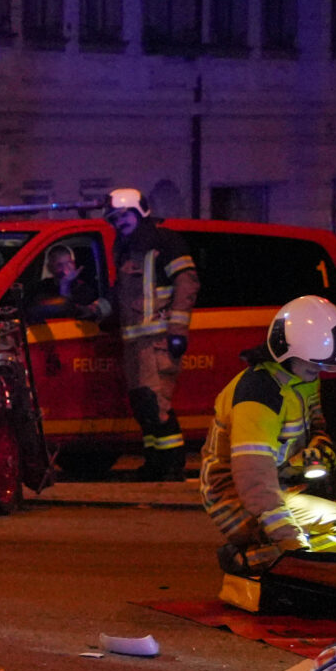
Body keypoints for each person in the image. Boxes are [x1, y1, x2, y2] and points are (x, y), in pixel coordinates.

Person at [200, 297, 336, 573]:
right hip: (240, 502)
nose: (317, 373)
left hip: (285, 479)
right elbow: (254, 483)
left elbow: (317, 425)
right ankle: (254, 559)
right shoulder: (258, 395)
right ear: (286, 352)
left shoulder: (302, 374)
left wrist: (319, 446)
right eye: (312, 366)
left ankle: (320, 545)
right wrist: (288, 539)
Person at [106, 188, 200, 480]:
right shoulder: (125, 249)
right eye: (114, 218)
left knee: (157, 404)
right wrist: (92, 307)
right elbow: (121, 295)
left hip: (158, 339)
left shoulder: (165, 241)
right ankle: (155, 463)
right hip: (134, 342)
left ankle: (172, 465)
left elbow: (187, 284)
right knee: (143, 404)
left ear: (139, 211)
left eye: (124, 215)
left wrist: (177, 330)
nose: (120, 222)